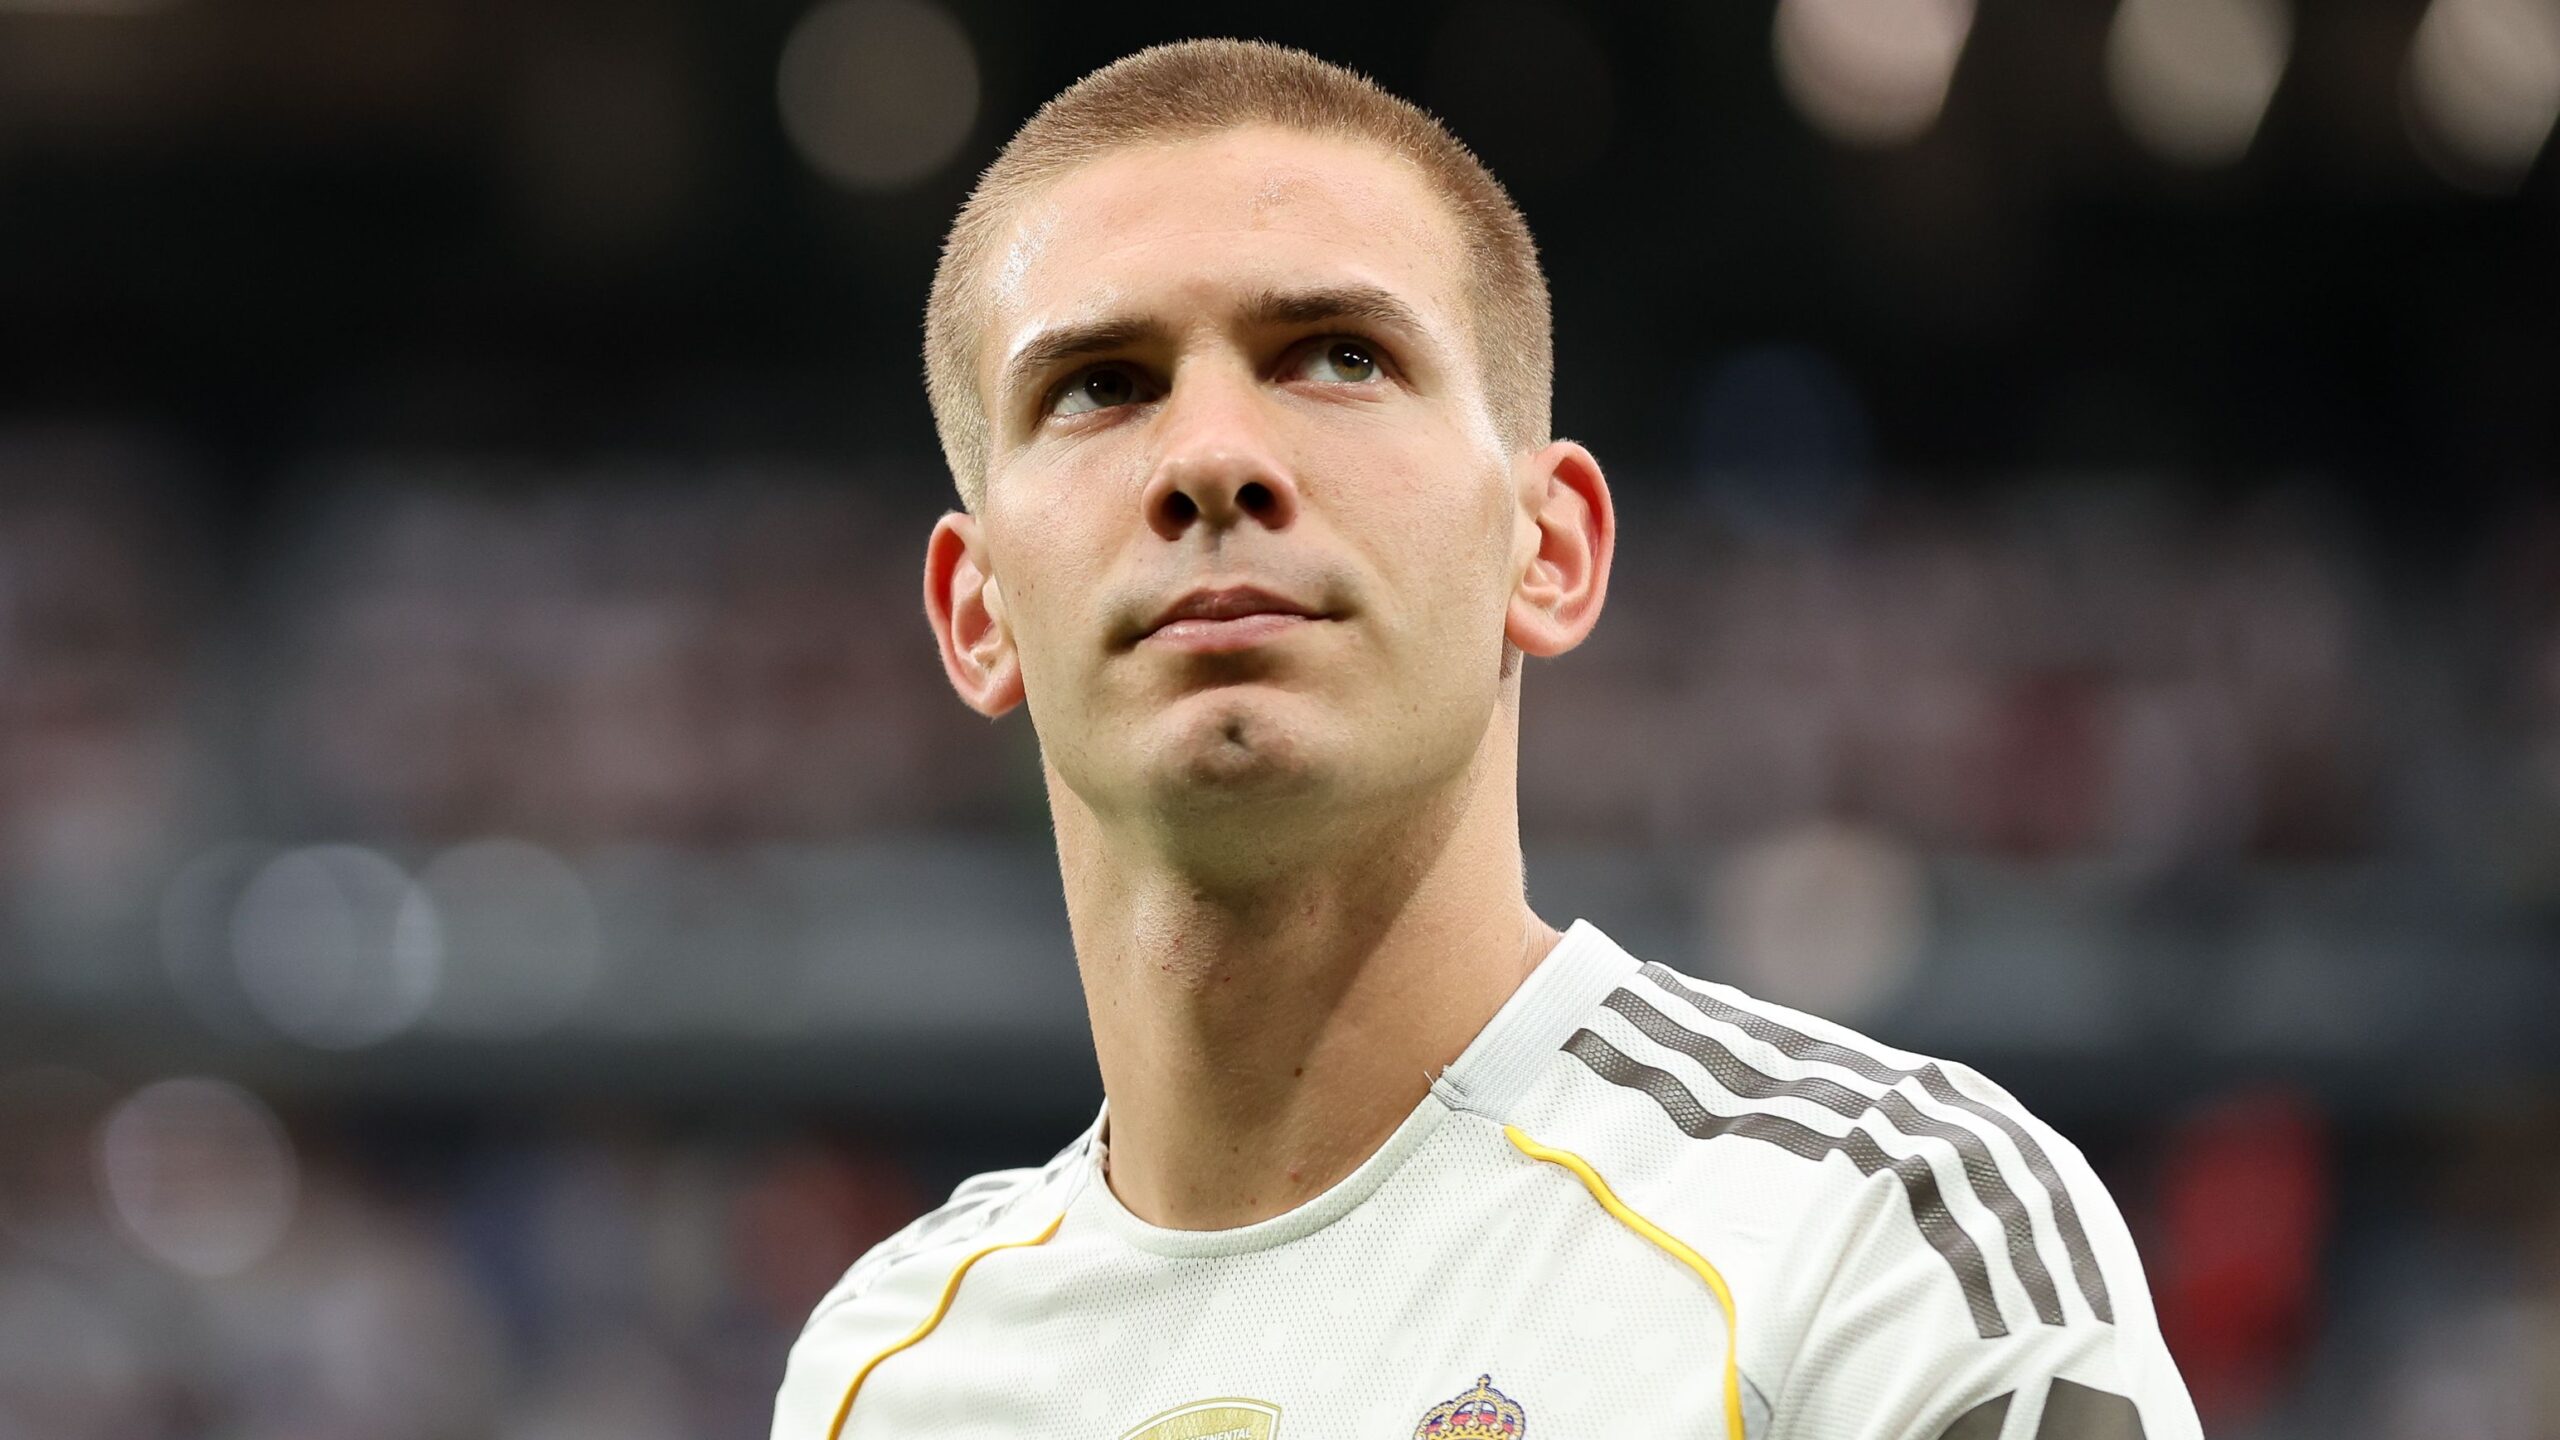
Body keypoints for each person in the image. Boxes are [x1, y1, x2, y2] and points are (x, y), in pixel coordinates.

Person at [772, 38, 2201, 1440]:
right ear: (978, 612)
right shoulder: (877, 1382)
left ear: (1550, 550)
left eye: (1337, 356)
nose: (1210, 456)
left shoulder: (1878, 1250)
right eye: (1101, 384)